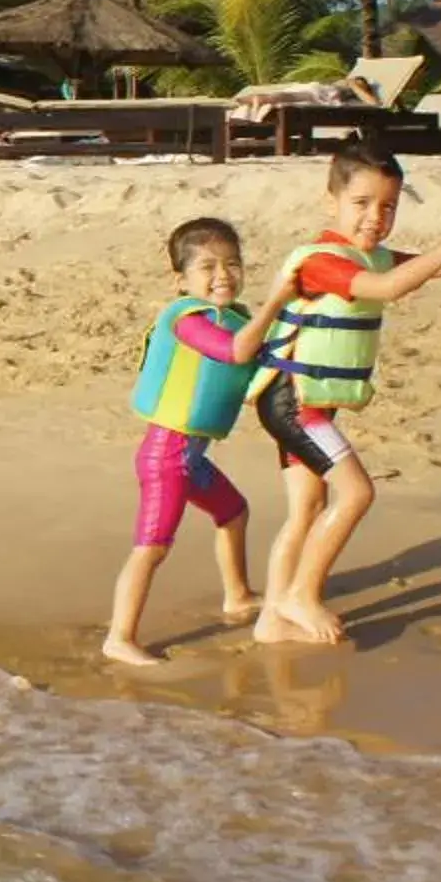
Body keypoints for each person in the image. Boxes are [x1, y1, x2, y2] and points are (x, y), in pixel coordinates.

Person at [248, 144, 441, 646]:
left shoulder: (369, 255)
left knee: (307, 508)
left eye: (388, 206)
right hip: (293, 403)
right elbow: (390, 287)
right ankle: (301, 595)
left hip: (307, 402)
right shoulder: (322, 262)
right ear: (332, 201)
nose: (376, 217)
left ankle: (272, 620)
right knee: (357, 492)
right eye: (362, 203)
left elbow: (440, 267)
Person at [104, 217, 299, 667]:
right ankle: (119, 636)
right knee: (151, 547)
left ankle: (237, 595)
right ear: (182, 280)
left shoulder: (239, 318)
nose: (223, 275)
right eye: (207, 266)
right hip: (167, 455)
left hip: (191, 459)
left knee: (233, 512)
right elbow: (232, 352)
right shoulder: (187, 319)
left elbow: (259, 360)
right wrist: (276, 302)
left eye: (232, 263)